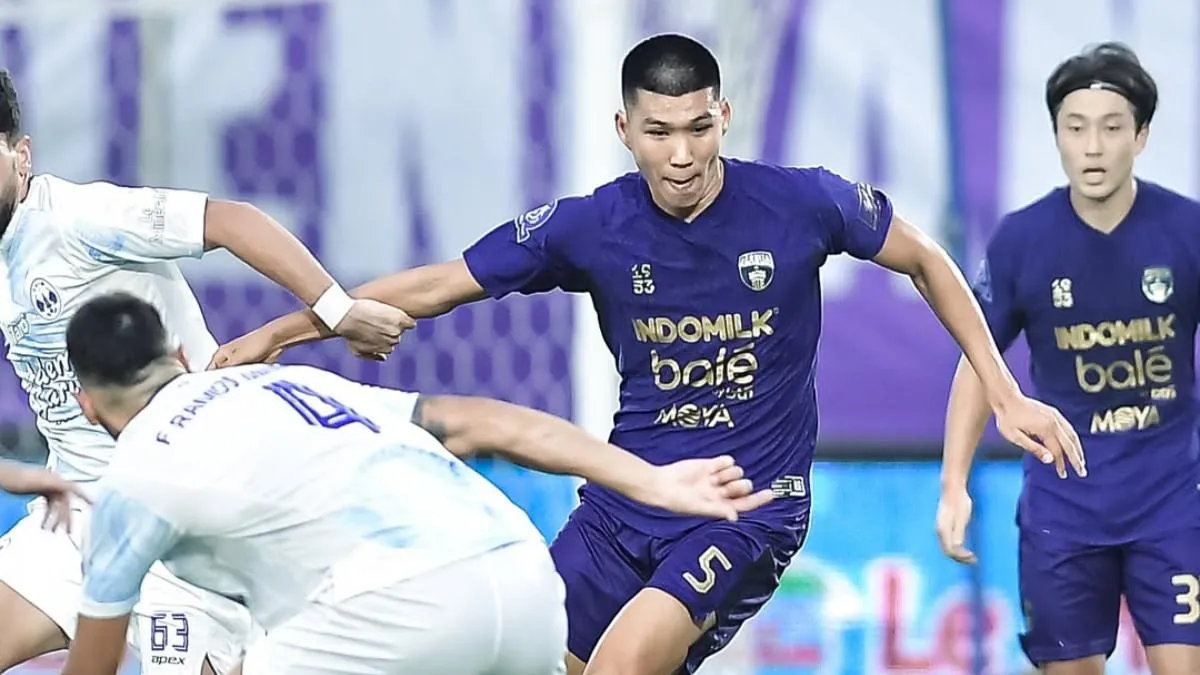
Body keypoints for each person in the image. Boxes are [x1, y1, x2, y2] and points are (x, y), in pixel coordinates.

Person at [210, 33, 1084, 675]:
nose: (683, 155)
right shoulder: (591, 225)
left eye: (700, 128)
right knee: (524, 658)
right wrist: (286, 329)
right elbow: (439, 285)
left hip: (747, 509)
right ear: (624, 128)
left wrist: (1004, 390)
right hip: (623, 501)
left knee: (624, 666)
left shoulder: (802, 204)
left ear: (724, 117)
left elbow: (925, 257)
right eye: (660, 132)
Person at [56, 291, 771, 675]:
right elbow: (485, 423)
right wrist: (650, 480)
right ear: (181, 355)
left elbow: (93, 666)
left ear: (86, 403)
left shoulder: (134, 477)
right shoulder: (287, 383)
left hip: (397, 608)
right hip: (522, 578)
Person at [0, 69, 413, 674]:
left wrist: (337, 311)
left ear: (22, 156)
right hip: (79, 512)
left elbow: (230, 221)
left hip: (183, 516)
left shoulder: (77, 219)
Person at [936, 43, 1200, 675]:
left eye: (1112, 128)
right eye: (1075, 128)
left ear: (1141, 136)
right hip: (1064, 510)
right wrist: (952, 485)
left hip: (1174, 501)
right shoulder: (1023, 240)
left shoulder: (1187, 231)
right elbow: (978, 363)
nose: (1092, 147)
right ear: (1056, 135)